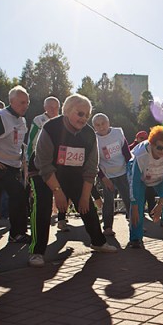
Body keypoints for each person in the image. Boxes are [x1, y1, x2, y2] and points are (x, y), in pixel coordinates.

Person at [28, 94, 117, 267]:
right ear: (67, 111)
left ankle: (98, 242)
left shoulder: (90, 135)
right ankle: (36, 251)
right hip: (42, 171)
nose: (84, 119)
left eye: (87, 115)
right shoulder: (50, 128)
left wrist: (84, 197)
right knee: (43, 206)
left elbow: (91, 169)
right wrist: (58, 192)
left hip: (70, 172)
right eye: (79, 114)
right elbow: (44, 165)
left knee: (86, 205)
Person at [0, 86, 30, 243]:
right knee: (17, 194)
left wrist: (23, 162)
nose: (25, 106)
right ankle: (18, 233)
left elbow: (19, 143)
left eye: (27, 103)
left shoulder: (21, 120)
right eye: (22, 102)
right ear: (11, 101)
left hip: (13, 166)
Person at [127, 126, 163, 248]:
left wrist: (161, 203)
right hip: (140, 179)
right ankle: (135, 238)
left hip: (159, 177)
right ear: (152, 144)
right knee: (137, 206)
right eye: (159, 147)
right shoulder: (140, 155)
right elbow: (135, 181)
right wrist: (134, 203)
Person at [27, 96, 69, 230]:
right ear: (45, 107)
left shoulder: (63, 120)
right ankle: (37, 222)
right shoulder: (38, 120)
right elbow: (31, 141)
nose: (53, 109)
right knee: (41, 195)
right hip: (40, 162)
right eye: (50, 107)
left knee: (63, 189)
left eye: (56, 107)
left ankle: (62, 219)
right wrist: (28, 162)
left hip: (59, 163)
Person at [92, 113, 131, 236]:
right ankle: (107, 227)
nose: (101, 127)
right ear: (94, 127)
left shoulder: (118, 132)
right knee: (108, 201)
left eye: (103, 123)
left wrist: (130, 170)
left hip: (123, 172)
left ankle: (134, 222)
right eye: (97, 125)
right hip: (107, 174)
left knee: (129, 198)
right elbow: (95, 162)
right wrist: (103, 178)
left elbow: (126, 152)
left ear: (108, 123)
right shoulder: (93, 139)